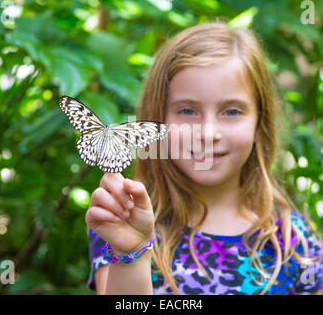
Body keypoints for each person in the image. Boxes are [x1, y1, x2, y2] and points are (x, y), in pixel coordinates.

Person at [85, 21, 323, 295]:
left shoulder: (292, 238)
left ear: (260, 123)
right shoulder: (125, 220)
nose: (208, 133)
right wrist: (133, 252)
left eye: (232, 112)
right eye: (187, 111)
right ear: (156, 120)